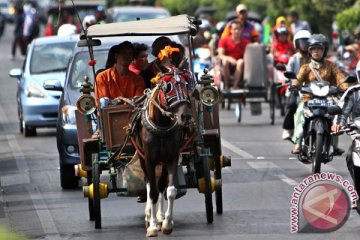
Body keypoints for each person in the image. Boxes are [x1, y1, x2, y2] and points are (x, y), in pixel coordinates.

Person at [291, 34, 348, 154]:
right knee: (300, 111)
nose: (316, 51)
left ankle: (335, 145)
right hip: (309, 98)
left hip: (328, 98)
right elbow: (298, 79)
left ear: (324, 50)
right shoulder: (305, 67)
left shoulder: (332, 66)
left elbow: (341, 78)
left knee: (336, 113)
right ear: (309, 51)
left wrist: (345, 87)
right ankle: (298, 142)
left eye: (319, 48)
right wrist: (294, 85)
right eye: (313, 49)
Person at [331, 60, 360, 212]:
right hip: (358, 136)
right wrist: (338, 124)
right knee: (350, 156)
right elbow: (342, 111)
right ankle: (356, 191)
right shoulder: (353, 92)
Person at [282, 30, 311, 141]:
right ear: (296, 44)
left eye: (306, 42)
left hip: (313, 89)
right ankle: (288, 128)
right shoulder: (293, 58)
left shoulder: (314, 57)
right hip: (296, 89)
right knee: (292, 105)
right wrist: (290, 81)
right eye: (302, 42)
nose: (304, 45)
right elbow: (288, 73)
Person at [218, 20, 251, 90]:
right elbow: (220, 55)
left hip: (241, 65)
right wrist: (229, 58)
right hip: (227, 65)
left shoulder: (247, 43)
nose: (236, 31)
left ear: (241, 30)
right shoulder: (224, 41)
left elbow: (249, 56)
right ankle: (226, 86)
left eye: (238, 29)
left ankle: (235, 86)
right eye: (234, 29)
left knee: (240, 62)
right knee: (225, 61)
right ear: (231, 30)